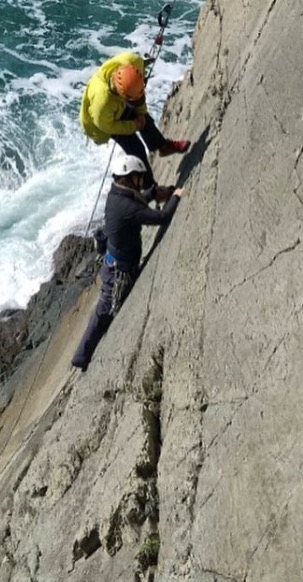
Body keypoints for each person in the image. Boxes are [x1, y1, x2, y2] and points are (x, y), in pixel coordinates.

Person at [72, 153, 184, 371]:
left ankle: (82, 355)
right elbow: (160, 218)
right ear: (130, 177)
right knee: (103, 312)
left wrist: (154, 193)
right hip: (118, 273)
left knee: (103, 310)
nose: (141, 180)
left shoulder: (116, 194)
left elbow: (137, 201)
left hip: (114, 264)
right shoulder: (125, 206)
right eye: (139, 177)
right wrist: (176, 196)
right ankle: (80, 357)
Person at [79, 50, 190, 185]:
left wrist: (141, 113)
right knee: (136, 148)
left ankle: (163, 146)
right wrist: (134, 125)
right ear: (121, 95)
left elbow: (138, 97)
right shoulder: (102, 103)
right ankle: (150, 188)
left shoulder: (134, 62)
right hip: (104, 124)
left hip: (118, 106)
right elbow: (108, 126)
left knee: (146, 121)